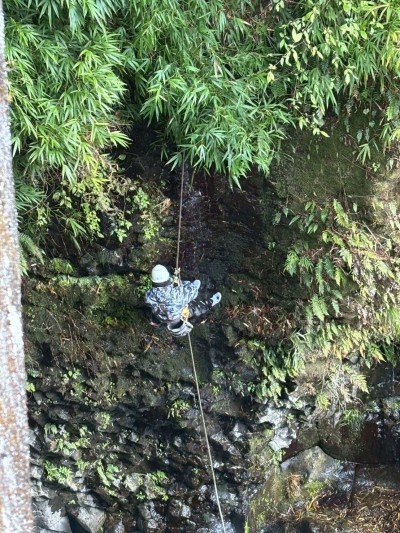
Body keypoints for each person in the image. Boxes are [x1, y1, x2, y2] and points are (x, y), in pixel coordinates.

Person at [145, 264, 222, 337]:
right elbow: (193, 293)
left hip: (160, 317)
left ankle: (159, 325)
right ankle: (210, 302)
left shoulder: (148, 294)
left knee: (159, 314)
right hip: (177, 318)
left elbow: (148, 302)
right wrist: (193, 287)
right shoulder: (177, 294)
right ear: (167, 278)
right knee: (196, 308)